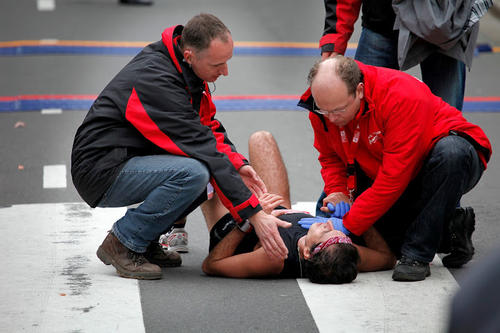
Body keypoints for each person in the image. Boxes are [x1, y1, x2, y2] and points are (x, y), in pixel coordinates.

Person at [71, 14, 290, 280]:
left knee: (207, 171)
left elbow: (207, 128)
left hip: (127, 158)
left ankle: (145, 237)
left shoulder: (184, 70)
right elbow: (203, 148)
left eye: (227, 62)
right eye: (218, 64)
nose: (225, 72)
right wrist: (253, 213)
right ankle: (122, 242)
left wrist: (239, 165)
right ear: (189, 55)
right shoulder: (156, 80)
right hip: (100, 171)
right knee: (194, 172)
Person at [298, 56, 491, 281]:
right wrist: (337, 191)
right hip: (379, 165)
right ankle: (449, 231)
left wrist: (351, 222)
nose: (330, 119)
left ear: (359, 91)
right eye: (324, 111)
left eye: (338, 111)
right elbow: (330, 157)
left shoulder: (401, 96)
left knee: (451, 154)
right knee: (348, 238)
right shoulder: (322, 103)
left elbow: (394, 178)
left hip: (440, 161)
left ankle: (417, 254)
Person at [201, 131, 396, 283]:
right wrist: (356, 216)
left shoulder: (274, 258)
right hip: (278, 207)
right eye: (340, 234)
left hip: (232, 223)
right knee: (262, 139)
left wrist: (250, 218)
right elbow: (387, 259)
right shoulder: (341, 252)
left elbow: (211, 265)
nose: (329, 226)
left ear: (307, 252)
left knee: (204, 156)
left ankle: (177, 225)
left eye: (325, 232)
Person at [318, 0, 484, 111]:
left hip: (446, 24)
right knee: (363, 114)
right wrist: (335, 37)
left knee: (448, 127)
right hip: (383, 19)